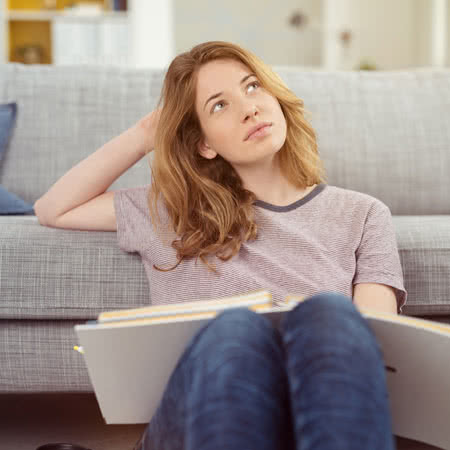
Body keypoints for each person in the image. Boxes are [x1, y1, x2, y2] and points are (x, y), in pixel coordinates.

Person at [35, 41, 407, 449]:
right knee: (236, 329)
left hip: (314, 421)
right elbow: (55, 208)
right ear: (204, 144)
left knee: (331, 315)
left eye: (252, 87)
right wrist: (145, 135)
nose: (249, 108)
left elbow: (377, 344)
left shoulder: (364, 214)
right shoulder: (171, 210)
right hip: (196, 418)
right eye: (219, 105)